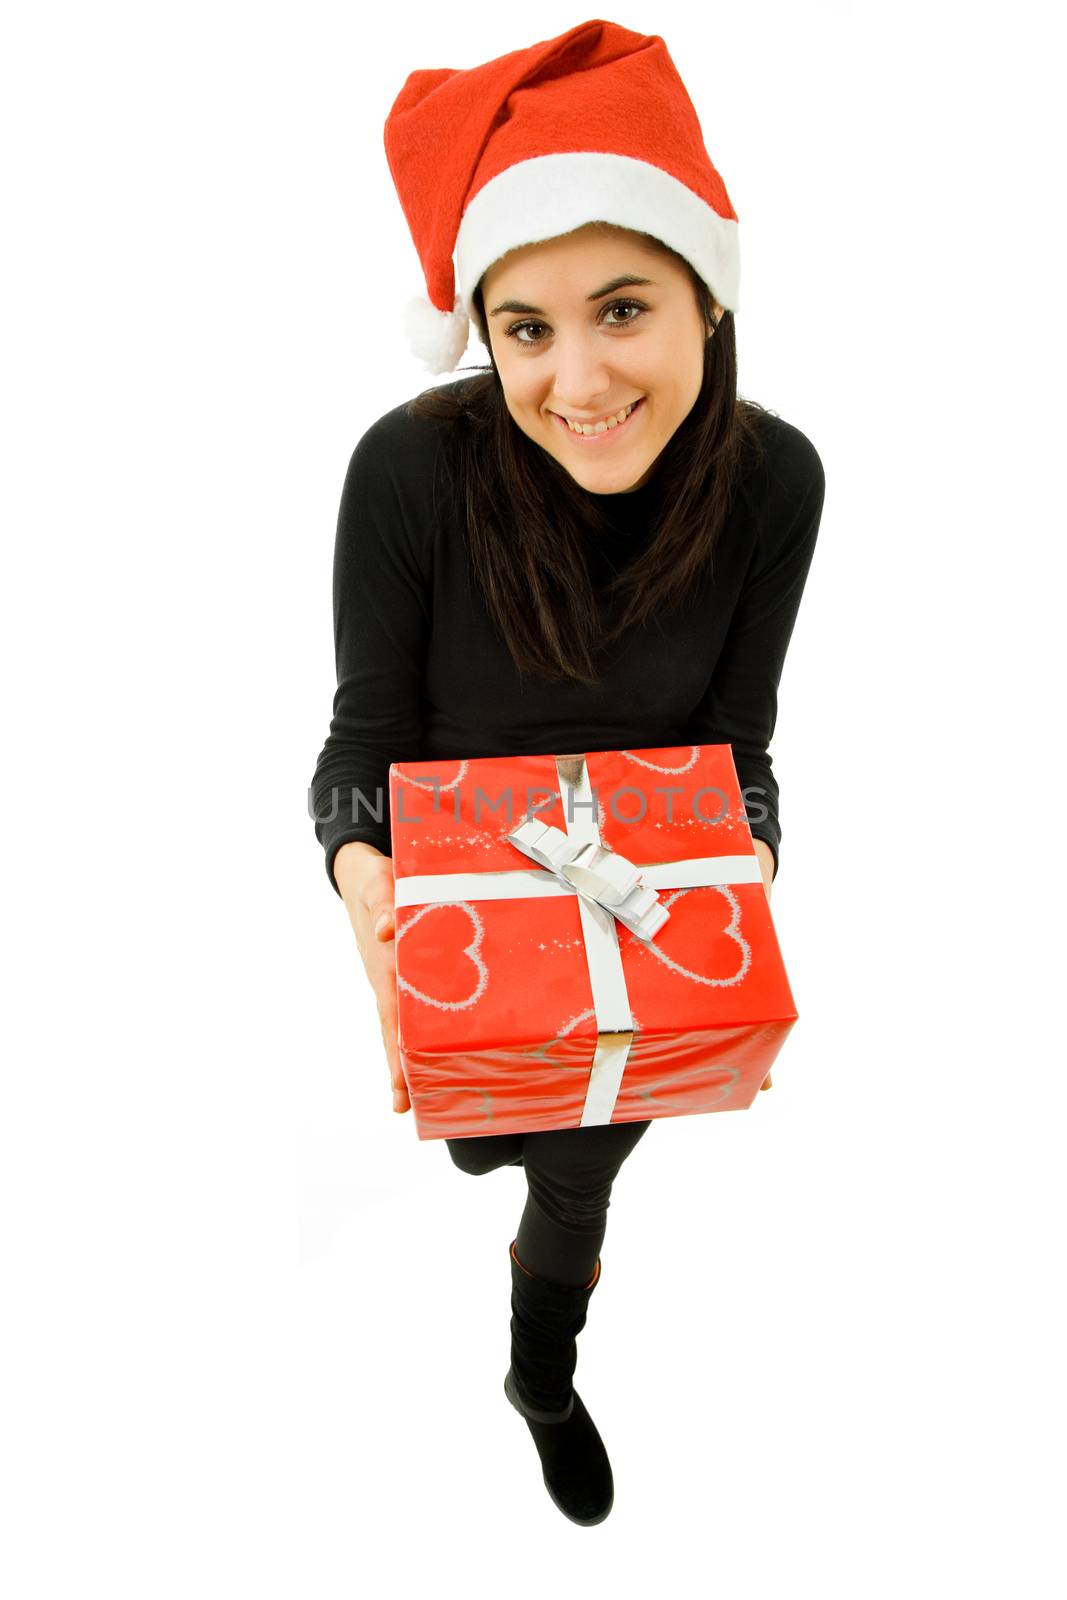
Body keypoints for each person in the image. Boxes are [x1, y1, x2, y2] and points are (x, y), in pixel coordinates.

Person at [308, 19, 825, 1527]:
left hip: (638, 915)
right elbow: (358, 753)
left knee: (575, 1171)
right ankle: (496, 1120)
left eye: (622, 309)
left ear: (706, 302)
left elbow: (741, 752)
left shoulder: (778, 481)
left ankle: (541, 1370)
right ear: (484, 332)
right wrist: (370, 897)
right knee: (484, 1130)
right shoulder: (406, 473)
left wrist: (730, 904)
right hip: (465, 919)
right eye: (525, 328)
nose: (578, 376)